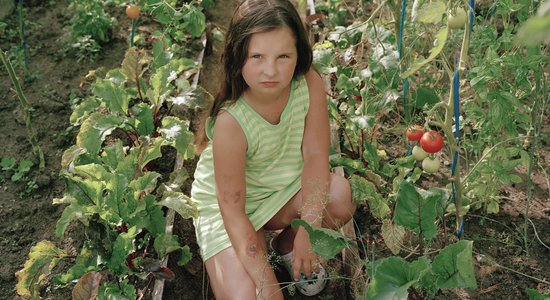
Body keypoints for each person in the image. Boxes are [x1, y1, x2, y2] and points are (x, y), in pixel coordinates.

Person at [190, 0, 356, 299]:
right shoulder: (232, 121)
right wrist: (267, 287)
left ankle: (286, 246)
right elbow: (232, 211)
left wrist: (308, 228)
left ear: (298, 55)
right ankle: (262, 264)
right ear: (237, 57)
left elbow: (317, 156)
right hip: (229, 211)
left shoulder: (308, 83)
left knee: (339, 197)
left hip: (279, 190)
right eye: (257, 56)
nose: (271, 70)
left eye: (283, 56)